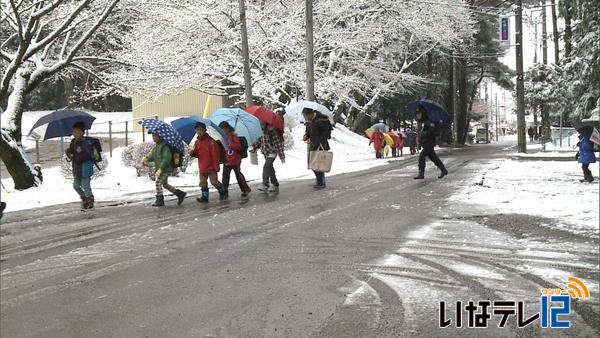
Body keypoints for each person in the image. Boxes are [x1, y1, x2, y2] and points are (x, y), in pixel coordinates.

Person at [142, 133, 187, 206]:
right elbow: (152, 156)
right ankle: (180, 194)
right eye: (152, 136)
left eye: (155, 136)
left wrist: (161, 169)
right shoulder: (156, 147)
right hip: (160, 170)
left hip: (165, 169)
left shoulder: (164, 147)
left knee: (158, 183)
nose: (153, 138)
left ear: (160, 137)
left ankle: (160, 201)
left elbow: (166, 159)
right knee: (165, 184)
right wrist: (147, 158)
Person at [189, 122, 227, 202]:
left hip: (211, 166)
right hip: (202, 165)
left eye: (200, 129)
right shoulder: (197, 142)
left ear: (204, 130)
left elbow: (215, 155)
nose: (199, 131)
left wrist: (216, 166)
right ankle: (205, 197)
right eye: (197, 129)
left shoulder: (211, 142)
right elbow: (197, 153)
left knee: (214, 182)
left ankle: (223, 191)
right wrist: (192, 153)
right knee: (203, 182)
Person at [65, 122, 96, 210]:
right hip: (77, 169)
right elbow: (72, 153)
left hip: (85, 168)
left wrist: (74, 156)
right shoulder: (73, 142)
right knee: (76, 186)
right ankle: (85, 198)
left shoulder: (85, 143)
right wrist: (69, 152)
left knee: (86, 186)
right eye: (74, 132)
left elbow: (88, 155)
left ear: (82, 132)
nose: (75, 134)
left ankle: (89, 200)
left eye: (77, 132)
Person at [413, 105, 448, 179]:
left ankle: (421, 173)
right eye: (417, 114)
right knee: (433, 157)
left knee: (422, 156)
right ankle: (443, 170)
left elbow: (432, 132)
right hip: (425, 142)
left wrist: (424, 133)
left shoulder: (428, 121)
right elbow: (420, 133)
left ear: (423, 113)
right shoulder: (422, 122)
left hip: (429, 142)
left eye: (419, 114)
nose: (418, 115)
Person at [218, 121, 251, 198]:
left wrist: (230, 145)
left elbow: (238, 147)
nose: (222, 131)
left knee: (238, 176)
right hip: (227, 161)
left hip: (235, 160)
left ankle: (245, 189)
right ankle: (225, 193)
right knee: (225, 178)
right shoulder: (222, 138)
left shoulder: (233, 136)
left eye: (223, 129)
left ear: (227, 128)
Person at [302, 108, 332, 189]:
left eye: (305, 116)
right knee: (312, 164)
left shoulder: (321, 120)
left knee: (319, 165)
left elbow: (327, 133)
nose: (305, 118)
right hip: (313, 145)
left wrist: (321, 141)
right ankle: (320, 181)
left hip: (322, 145)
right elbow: (308, 132)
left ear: (310, 114)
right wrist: (306, 136)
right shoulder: (308, 122)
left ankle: (321, 182)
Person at [252, 121, 285, 193]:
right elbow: (260, 141)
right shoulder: (261, 130)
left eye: (261, 121)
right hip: (266, 152)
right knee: (270, 168)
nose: (260, 123)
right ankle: (275, 183)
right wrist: (254, 147)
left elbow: (278, 144)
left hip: (273, 152)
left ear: (265, 122)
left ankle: (265, 184)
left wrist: (282, 157)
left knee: (266, 167)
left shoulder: (272, 130)